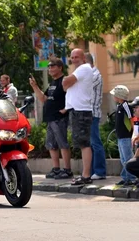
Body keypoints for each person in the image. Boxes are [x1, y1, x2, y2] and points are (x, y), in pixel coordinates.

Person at [29, 58, 72, 179]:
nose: (50, 69)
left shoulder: (64, 81)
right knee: (51, 144)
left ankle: (67, 169)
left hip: (59, 118)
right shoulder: (52, 83)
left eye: (52, 66)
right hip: (50, 118)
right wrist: (35, 86)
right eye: (49, 66)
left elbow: (72, 95)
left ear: (60, 67)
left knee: (62, 143)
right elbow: (43, 99)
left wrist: (66, 109)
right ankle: (56, 169)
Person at [63, 48, 94, 185]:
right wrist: (67, 82)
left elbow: (65, 83)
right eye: (72, 57)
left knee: (84, 144)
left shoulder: (84, 68)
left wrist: (66, 81)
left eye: (77, 57)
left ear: (84, 58)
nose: (74, 59)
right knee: (82, 144)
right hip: (78, 110)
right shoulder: (80, 70)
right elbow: (66, 85)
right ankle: (85, 175)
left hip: (81, 110)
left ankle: (86, 176)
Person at [87, 53, 107, 180]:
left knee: (95, 143)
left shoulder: (95, 75)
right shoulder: (91, 74)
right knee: (91, 144)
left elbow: (83, 86)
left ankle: (100, 171)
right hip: (88, 113)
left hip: (93, 113)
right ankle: (93, 171)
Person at [110, 85, 135, 186]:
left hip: (126, 136)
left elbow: (131, 118)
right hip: (120, 137)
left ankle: (131, 178)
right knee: (123, 158)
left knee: (127, 157)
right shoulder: (119, 106)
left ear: (119, 96)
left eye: (115, 95)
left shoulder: (126, 106)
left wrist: (134, 133)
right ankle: (125, 177)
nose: (114, 97)